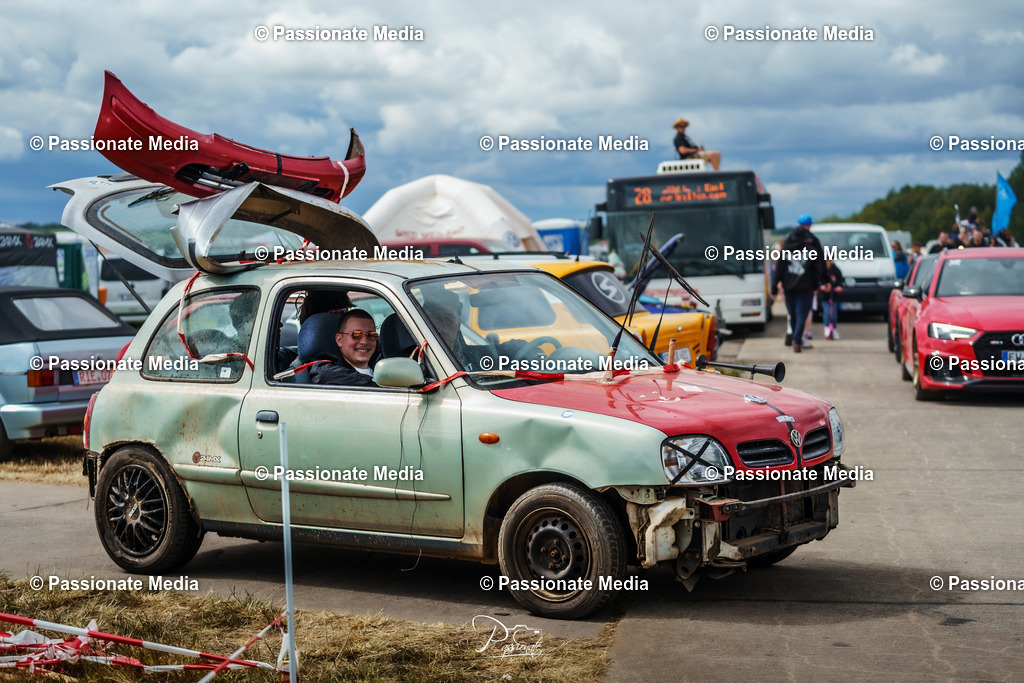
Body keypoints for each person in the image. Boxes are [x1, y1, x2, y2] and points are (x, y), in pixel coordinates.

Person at [772, 214, 825, 353]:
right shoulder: (813, 246)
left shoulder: (786, 248)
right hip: (806, 288)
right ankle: (797, 340)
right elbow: (818, 268)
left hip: (789, 288)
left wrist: (774, 287)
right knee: (801, 315)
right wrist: (817, 284)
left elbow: (778, 270)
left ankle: (796, 338)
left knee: (794, 315)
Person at [309, 309, 378, 386]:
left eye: (371, 335)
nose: (364, 342)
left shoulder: (381, 366)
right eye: (356, 335)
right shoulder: (325, 367)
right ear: (340, 340)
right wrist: (375, 386)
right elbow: (322, 374)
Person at [820, 259, 844, 340]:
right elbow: (819, 280)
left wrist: (839, 287)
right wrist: (822, 286)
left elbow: (840, 281)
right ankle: (826, 328)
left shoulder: (836, 270)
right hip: (824, 296)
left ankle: (834, 329)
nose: (828, 261)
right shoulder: (822, 269)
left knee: (834, 314)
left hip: (833, 296)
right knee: (827, 312)